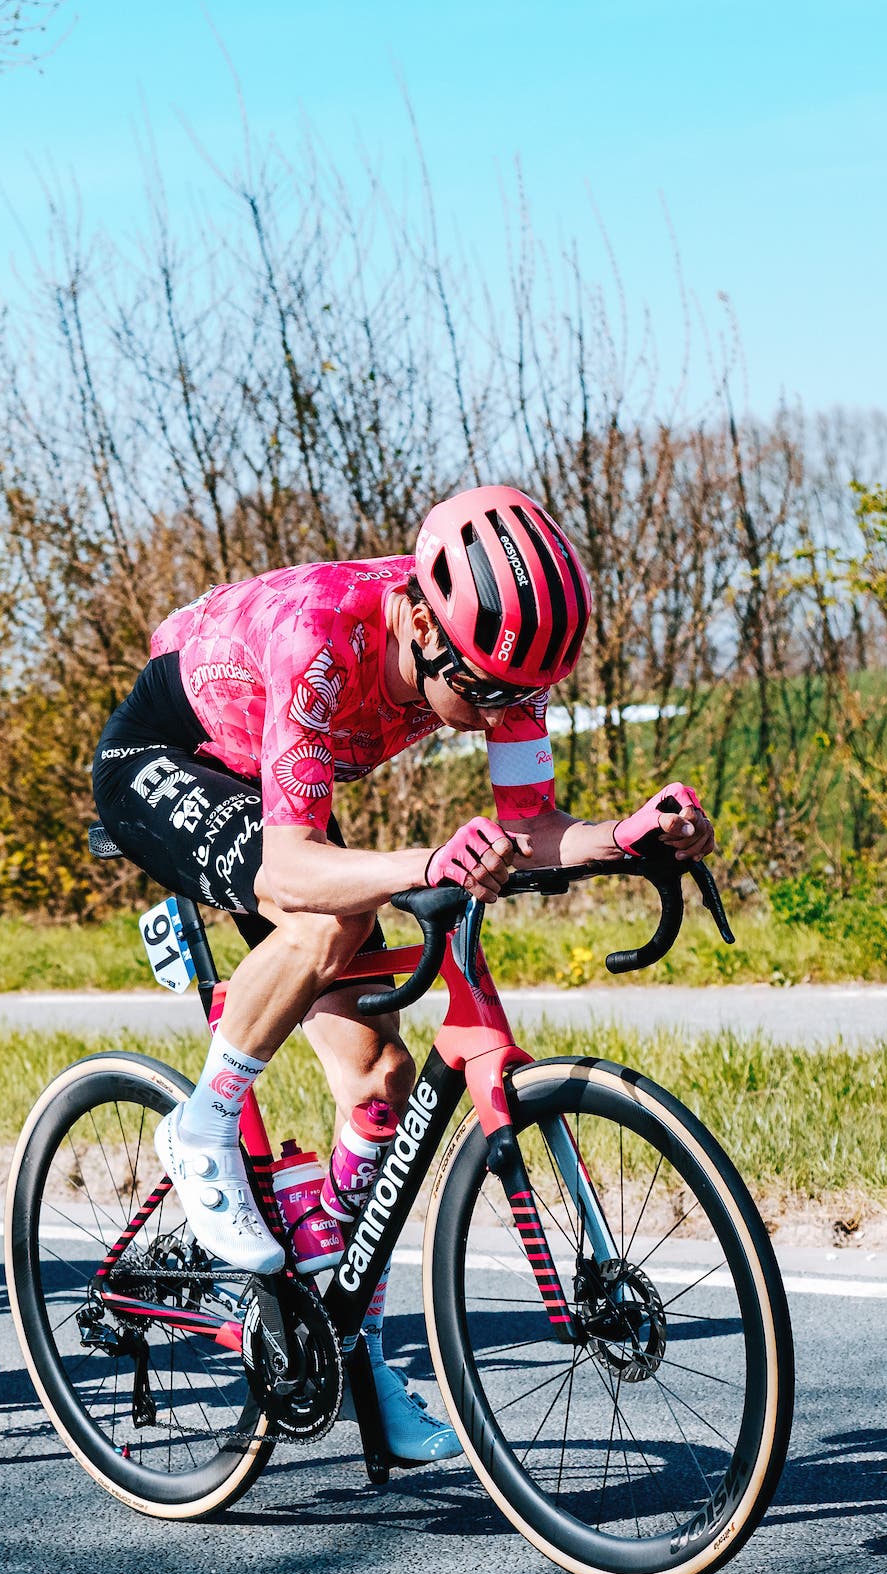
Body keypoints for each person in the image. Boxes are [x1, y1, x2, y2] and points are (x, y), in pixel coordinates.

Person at [90, 485, 715, 1463]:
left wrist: (624, 836)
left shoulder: (500, 651)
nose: (494, 715)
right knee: (327, 923)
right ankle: (202, 1125)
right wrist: (425, 864)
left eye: (520, 697)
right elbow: (293, 866)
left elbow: (530, 828)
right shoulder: (322, 635)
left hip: (271, 789)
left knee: (379, 1083)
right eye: (483, 692)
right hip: (169, 753)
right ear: (422, 618)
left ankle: (346, 1340)